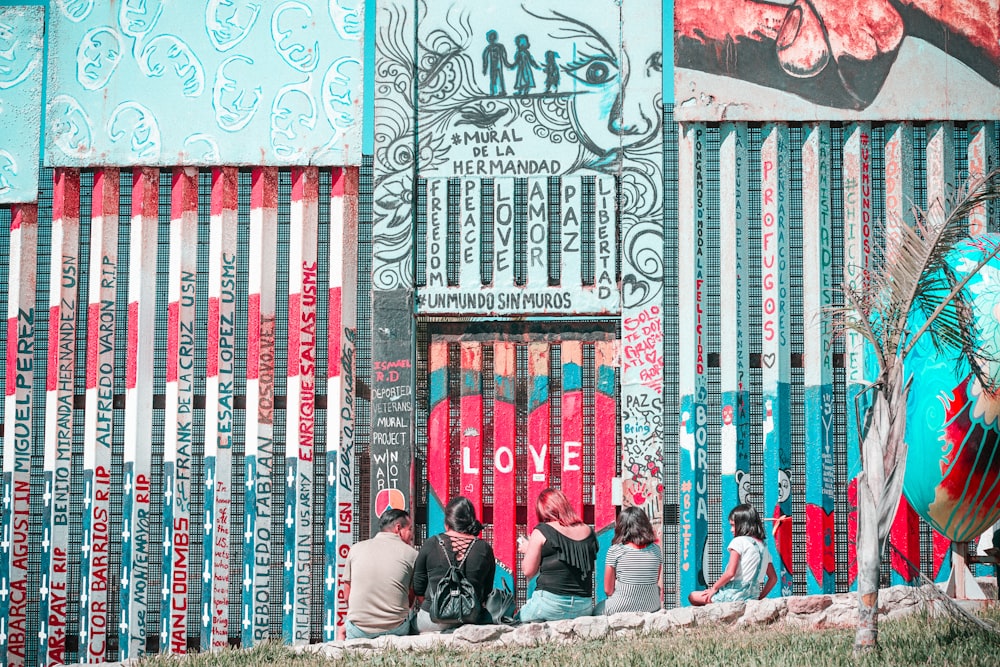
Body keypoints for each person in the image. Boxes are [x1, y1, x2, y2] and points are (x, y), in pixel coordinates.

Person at [412, 496, 497, 632]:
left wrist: (438, 608)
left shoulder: (431, 544)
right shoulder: (484, 548)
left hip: (432, 620)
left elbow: (418, 587)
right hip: (471, 618)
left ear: (447, 523)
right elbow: (486, 590)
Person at [518, 487, 598, 622]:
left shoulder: (542, 530)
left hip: (549, 604)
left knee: (516, 620)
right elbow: (564, 558)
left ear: (544, 511)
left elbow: (528, 571)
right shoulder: (588, 531)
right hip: (583, 606)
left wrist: (529, 549)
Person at [339, 508, 418, 639]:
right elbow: (410, 601)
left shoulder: (355, 549)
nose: (411, 535)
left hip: (359, 629)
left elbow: (347, 596)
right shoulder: (412, 555)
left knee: (342, 630)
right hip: (396, 628)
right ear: (398, 529)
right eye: (409, 529)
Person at [688, 503, 778, 605]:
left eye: (733, 525)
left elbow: (730, 573)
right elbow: (773, 578)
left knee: (693, 596)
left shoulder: (739, 541)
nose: (731, 529)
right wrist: (759, 598)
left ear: (743, 525)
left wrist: (714, 588)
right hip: (753, 595)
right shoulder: (763, 547)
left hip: (734, 594)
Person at [598, 506, 662, 614]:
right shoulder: (656, 550)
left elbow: (608, 590)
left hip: (621, 606)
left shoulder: (615, 550)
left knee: (597, 610)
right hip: (652, 605)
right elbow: (653, 581)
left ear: (621, 527)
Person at [482, 30, 509, 96]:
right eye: (490, 38)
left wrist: (506, 63)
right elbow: (484, 57)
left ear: (495, 38)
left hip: (499, 65)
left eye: (493, 37)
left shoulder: (500, 46)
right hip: (493, 65)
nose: (491, 40)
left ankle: (502, 91)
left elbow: (504, 55)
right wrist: (485, 68)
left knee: (500, 77)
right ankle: (493, 92)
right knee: (493, 78)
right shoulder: (488, 48)